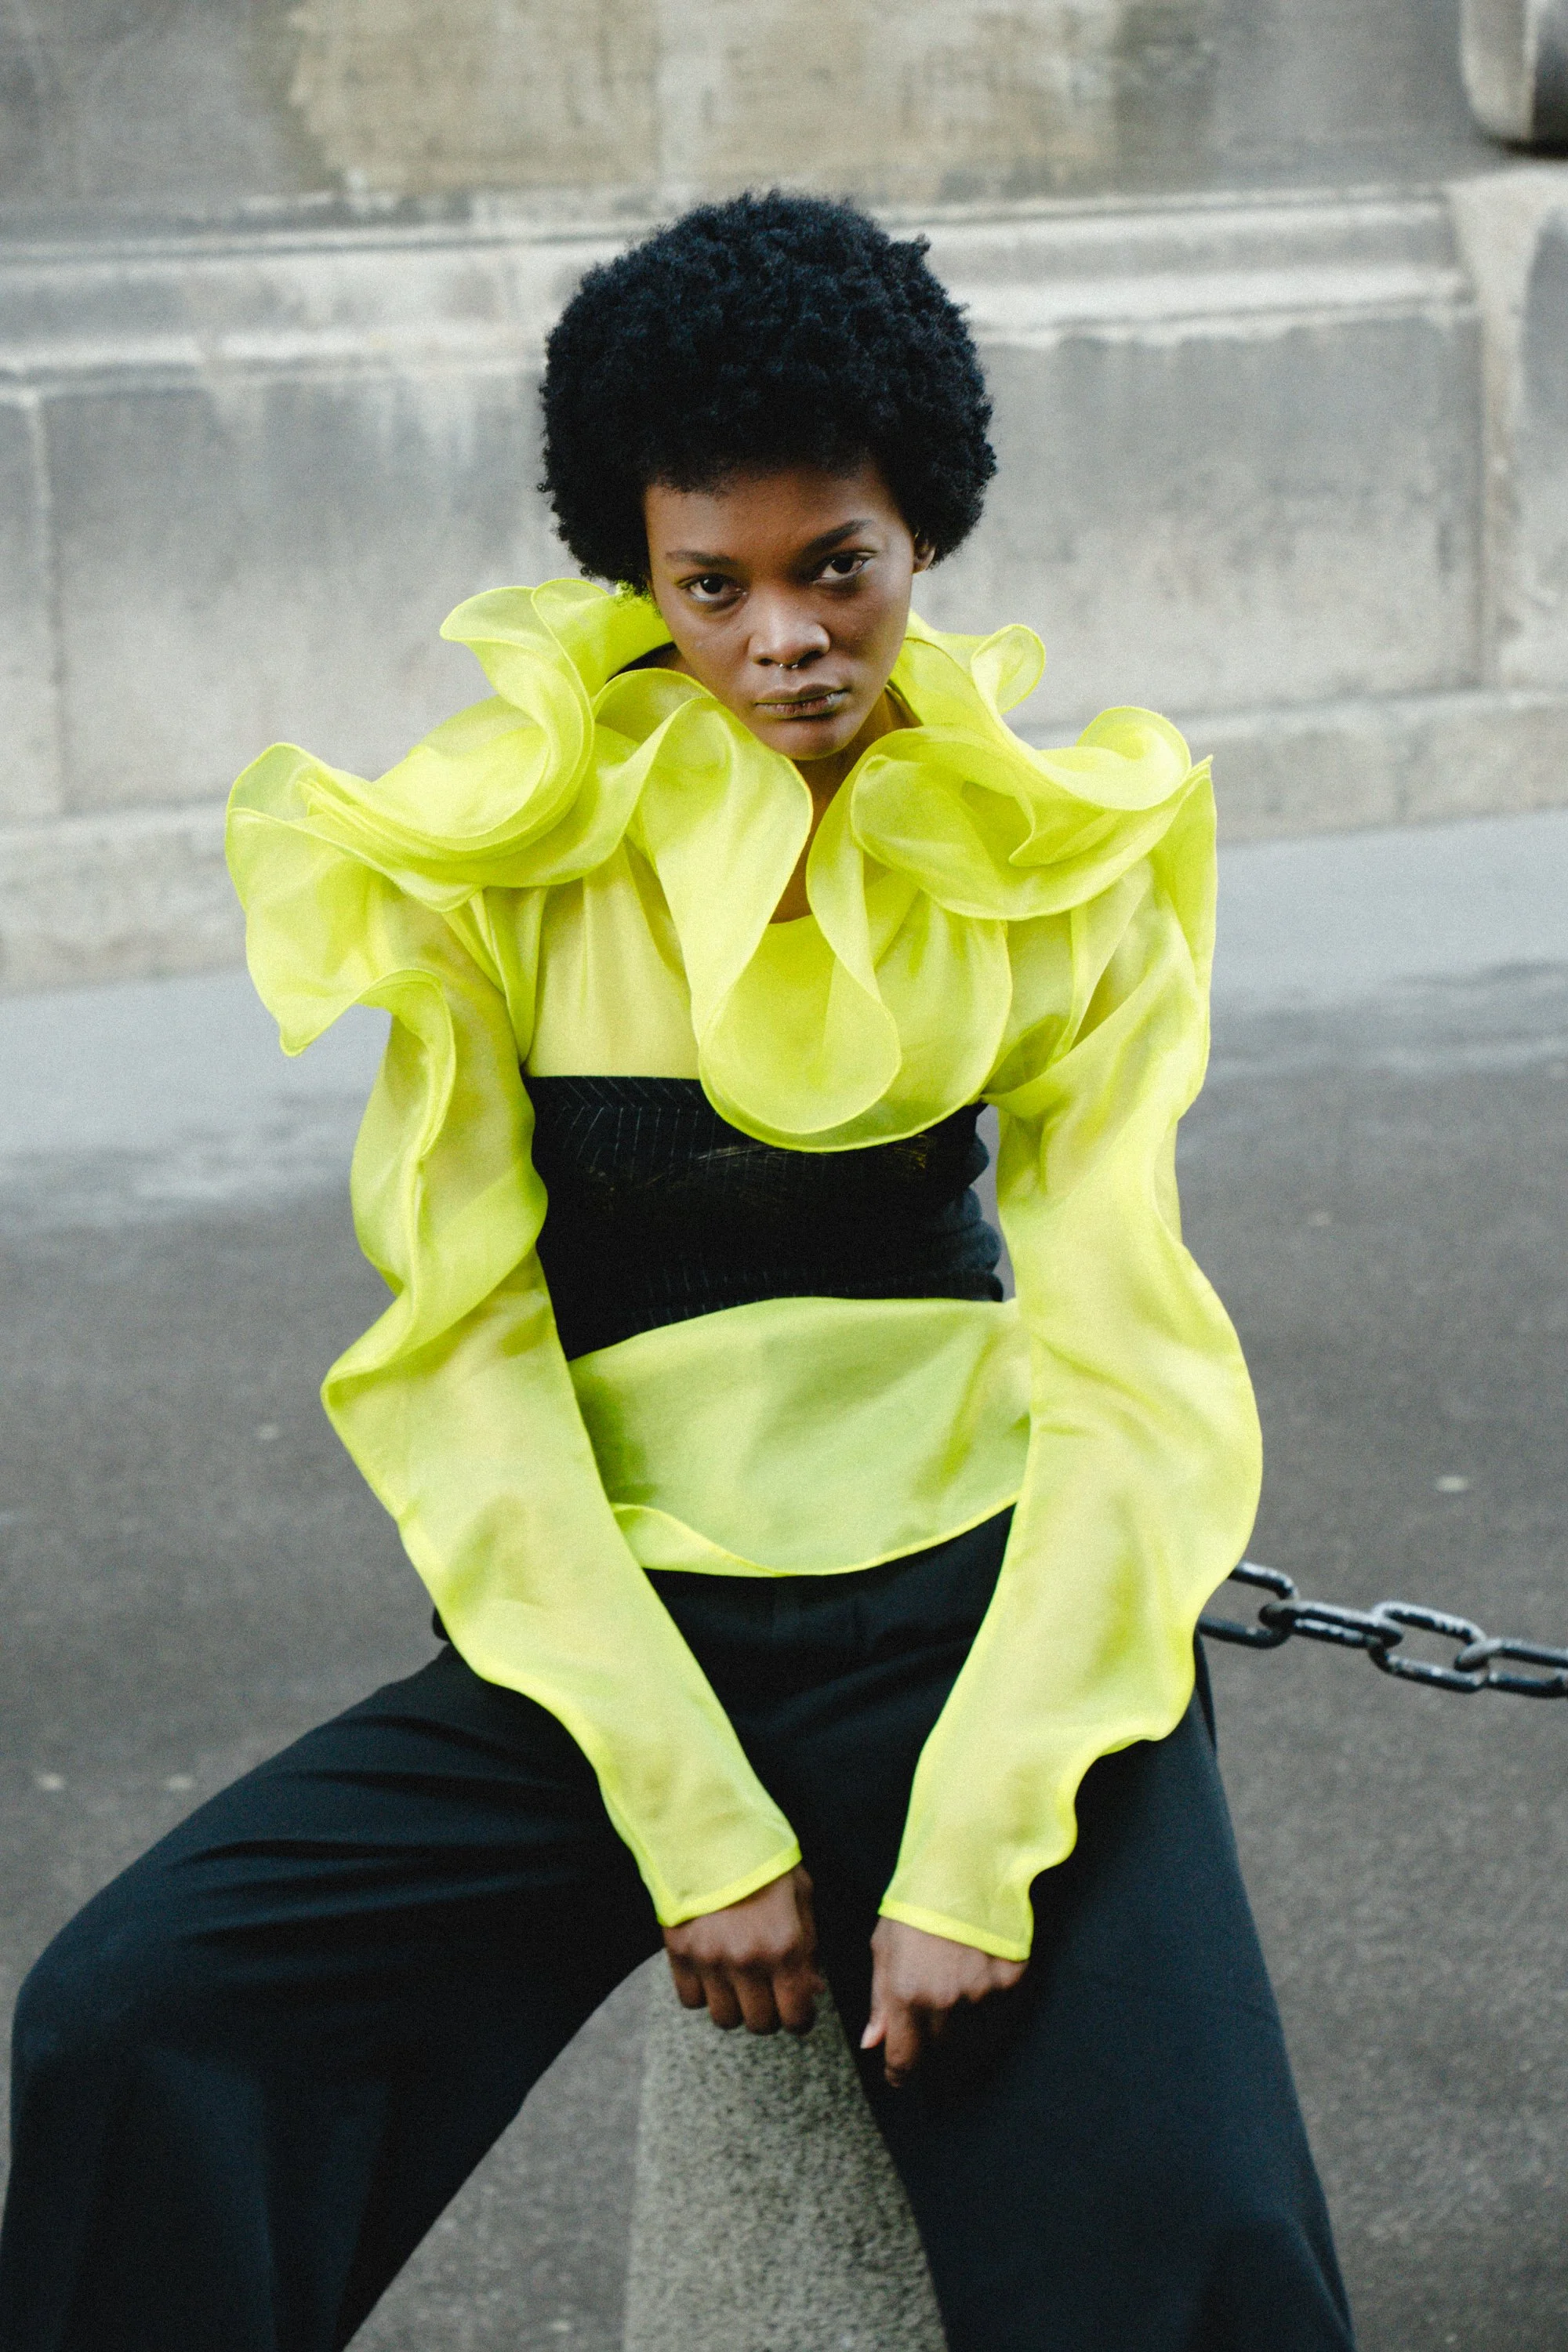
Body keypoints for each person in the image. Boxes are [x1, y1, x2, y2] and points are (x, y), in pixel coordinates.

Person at [0, 191, 1355, 2351]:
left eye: (840, 567)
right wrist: (689, 1814)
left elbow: (1132, 1375)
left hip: (975, 1607)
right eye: (707, 586)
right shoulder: (496, 854)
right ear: (640, 574)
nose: (783, 639)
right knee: (135, 2025)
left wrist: (985, 1839)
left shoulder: (1058, 858)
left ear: (927, 539)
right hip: (617, 1629)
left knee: (1199, 2254)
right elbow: (462, 1364)